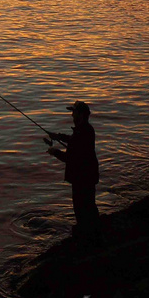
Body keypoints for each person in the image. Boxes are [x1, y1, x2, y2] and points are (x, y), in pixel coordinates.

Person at [47, 100, 100, 241]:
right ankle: (95, 232)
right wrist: (58, 136)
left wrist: (54, 152)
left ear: (81, 115)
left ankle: (87, 238)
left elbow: (69, 158)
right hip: (88, 176)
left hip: (81, 178)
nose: (72, 115)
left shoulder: (81, 134)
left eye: (74, 112)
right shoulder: (88, 129)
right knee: (89, 206)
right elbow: (73, 139)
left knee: (81, 208)